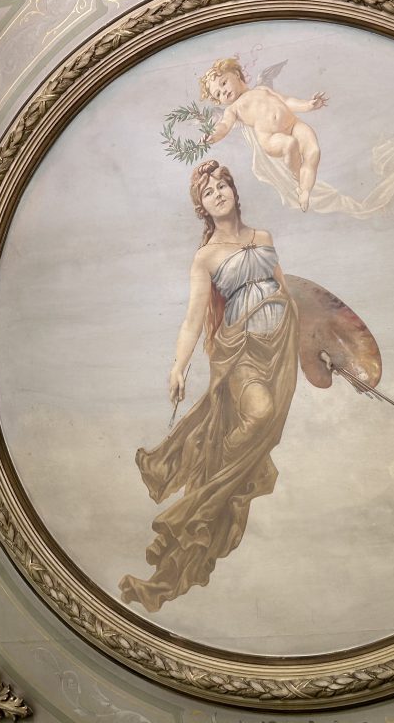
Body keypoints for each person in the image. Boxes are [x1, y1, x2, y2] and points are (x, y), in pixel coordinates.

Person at [119, 160, 299, 612]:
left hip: (280, 350)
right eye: (208, 190)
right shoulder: (206, 257)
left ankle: (215, 486)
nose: (218, 192)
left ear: (235, 191)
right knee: (256, 415)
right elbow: (193, 320)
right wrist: (178, 366)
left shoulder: (264, 238)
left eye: (223, 185)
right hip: (240, 352)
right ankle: (212, 477)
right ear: (201, 206)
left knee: (266, 426)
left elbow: (287, 293)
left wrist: (320, 349)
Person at [200, 57, 327, 211]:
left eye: (224, 83)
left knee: (313, 151)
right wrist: (213, 136)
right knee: (290, 144)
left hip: (293, 124)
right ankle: (297, 175)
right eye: (218, 94)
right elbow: (224, 125)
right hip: (271, 137)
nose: (224, 91)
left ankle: (305, 190)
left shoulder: (261, 89)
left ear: (236, 74)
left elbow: (286, 101)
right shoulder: (233, 109)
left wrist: (308, 105)